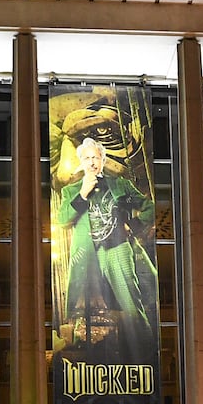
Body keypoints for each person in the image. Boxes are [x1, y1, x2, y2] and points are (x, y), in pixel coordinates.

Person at [59, 136, 158, 357]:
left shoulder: (120, 184)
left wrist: (131, 225)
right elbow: (62, 220)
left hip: (117, 248)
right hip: (87, 255)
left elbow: (149, 208)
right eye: (87, 158)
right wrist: (83, 193)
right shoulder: (71, 190)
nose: (92, 162)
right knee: (83, 311)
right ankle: (84, 361)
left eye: (95, 157)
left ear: (103, 159)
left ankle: (147, 355)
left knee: (132, 305)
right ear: (81, 162)